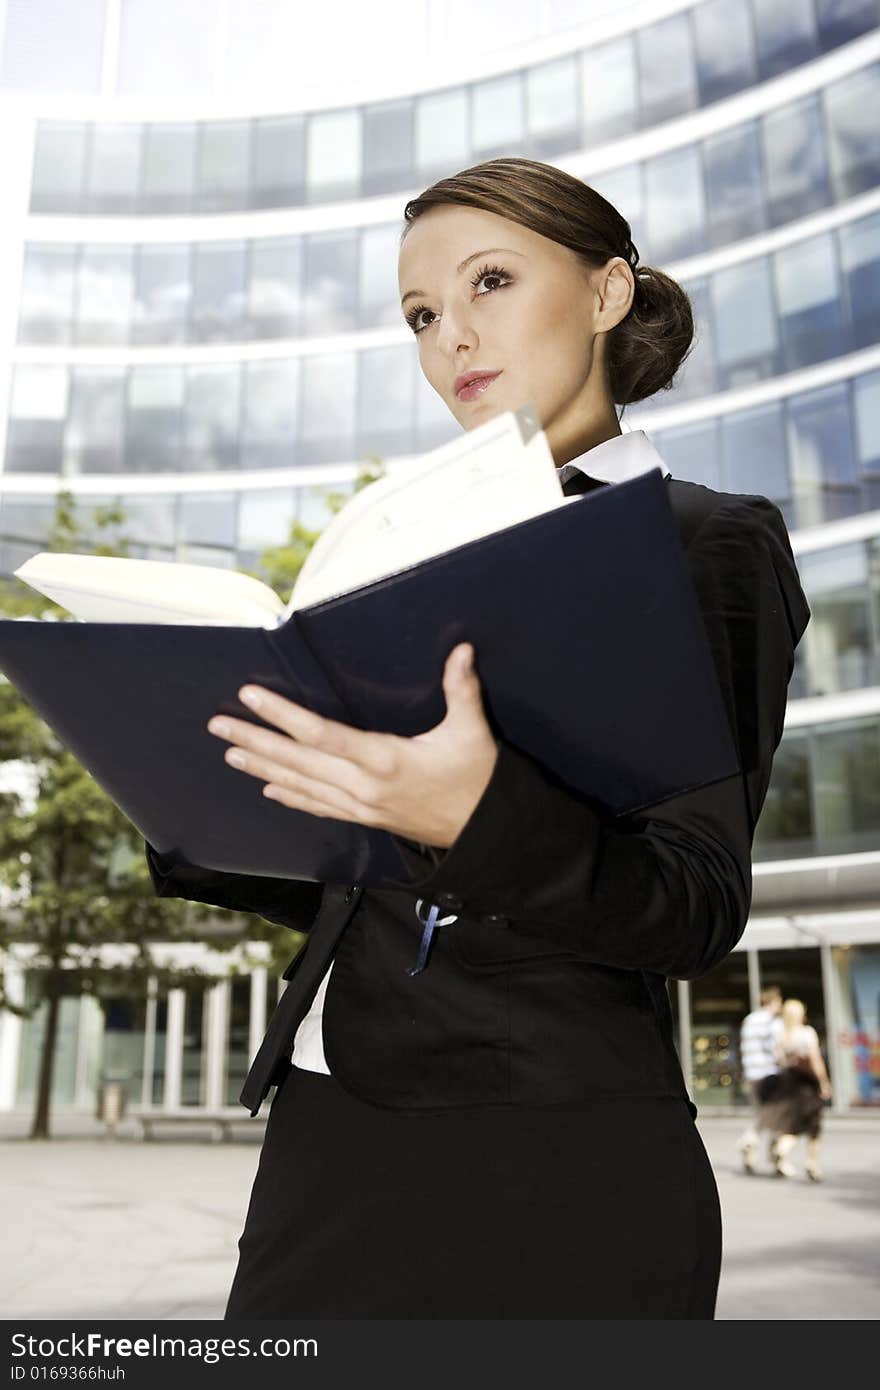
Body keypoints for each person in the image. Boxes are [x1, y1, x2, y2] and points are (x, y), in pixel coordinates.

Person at [145, 157, 811, 1319]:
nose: (451, 336)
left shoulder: (702, 542)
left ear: (607, 295)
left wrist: (471, 810)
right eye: (419, 315)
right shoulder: (395, 553)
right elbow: (389, 887)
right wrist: (201, 805)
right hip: (326, 1138)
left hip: (541, 1157)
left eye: (489, 282)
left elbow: (693, 902)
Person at [757, 998, 831, 1181]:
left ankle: (782, 1147)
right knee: (813, 1125)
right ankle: (812, 1164)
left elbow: (781, 1061)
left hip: (789, 1084)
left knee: (793, 1123)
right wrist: (823, 1082)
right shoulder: (806, 1033)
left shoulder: (782, 1035)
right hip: (807, 1085)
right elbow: (815, 1061)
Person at [736, 985, 783, 1174]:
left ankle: (752, 1147)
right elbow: (776, 1048)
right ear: (774, 1001)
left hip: (752, 1074)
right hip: (770, 1074)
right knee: (776, 1115)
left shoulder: (749, 1020)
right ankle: (773, 1156)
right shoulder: (772, 1021)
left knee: (762, 1113)